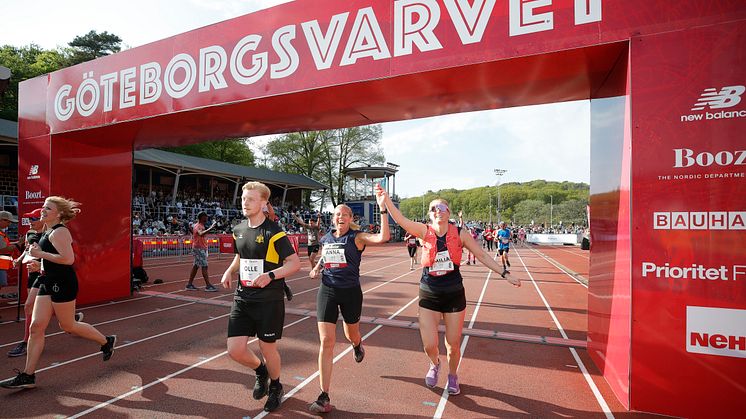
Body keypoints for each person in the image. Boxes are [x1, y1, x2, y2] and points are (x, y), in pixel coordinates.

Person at [378, 187, 520, 396]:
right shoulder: (423, 231)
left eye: (442, 207)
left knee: (453, 344)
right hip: (429, 292)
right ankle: (434, 364)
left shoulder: (460, 233)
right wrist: (386, 201)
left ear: (449, 212)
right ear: (430, 214)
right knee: (429, 344)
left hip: (453, 293)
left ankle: (453, 375)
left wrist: (504, 273)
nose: (438, 210)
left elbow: (481, 254)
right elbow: (400, 220)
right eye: (434, 208)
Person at [0, 197, 116, 389]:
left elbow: (68, 259)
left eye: (48, 208)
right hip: (47, 280)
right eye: (43, 207)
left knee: (68, 326)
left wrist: (41, 256)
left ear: (59, 213)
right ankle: (28, 375)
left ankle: (106, 341)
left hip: (62, 283)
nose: (43, 211)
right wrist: (40, 264)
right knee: (36, 327)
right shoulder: (48, 230)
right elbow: (53, 258)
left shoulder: (60, 231)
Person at [220, 182, 301, 413]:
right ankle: (261, 371)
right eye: (244, 198)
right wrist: (230, 270)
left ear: (264, 203)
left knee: (268, 348)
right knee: (235, 350)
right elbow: (241, 257)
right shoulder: (238, 229)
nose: (245, 202)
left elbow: (294, 264)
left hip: (268, 300)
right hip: (242, 298)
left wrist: (270, 275)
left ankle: (276, 386)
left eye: (251, 199)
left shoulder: (274, 232)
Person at [307, 193, 389, 414]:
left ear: (350, 218)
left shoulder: (357, 237)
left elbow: (383, 237)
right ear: (332, 219)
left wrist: (382, 209)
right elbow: (325, 256)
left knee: (351, 333)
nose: (340, 217)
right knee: (326, 341)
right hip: (328, 290)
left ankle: (356, 344)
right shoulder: (326, 238)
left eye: (344, 214)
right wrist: (317, 267)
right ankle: (324, 395)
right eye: (336, 214)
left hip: (351, 292)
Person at [185, 212, 218, 292]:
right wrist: (211, 227)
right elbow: (201, 234)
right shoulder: (198, 226)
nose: (207, 218)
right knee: (204, 266)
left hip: (199, 247)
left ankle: (189, 284)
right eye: (206, 217)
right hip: (199, 248)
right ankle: (208, 286)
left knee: (196, 266)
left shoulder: (198, 225)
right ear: (202, 217)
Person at [0, 211, 18, 300]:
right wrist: (18, 244)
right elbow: (4, 249)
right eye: (8, 221)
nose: (9, 224)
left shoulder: (1, 233)